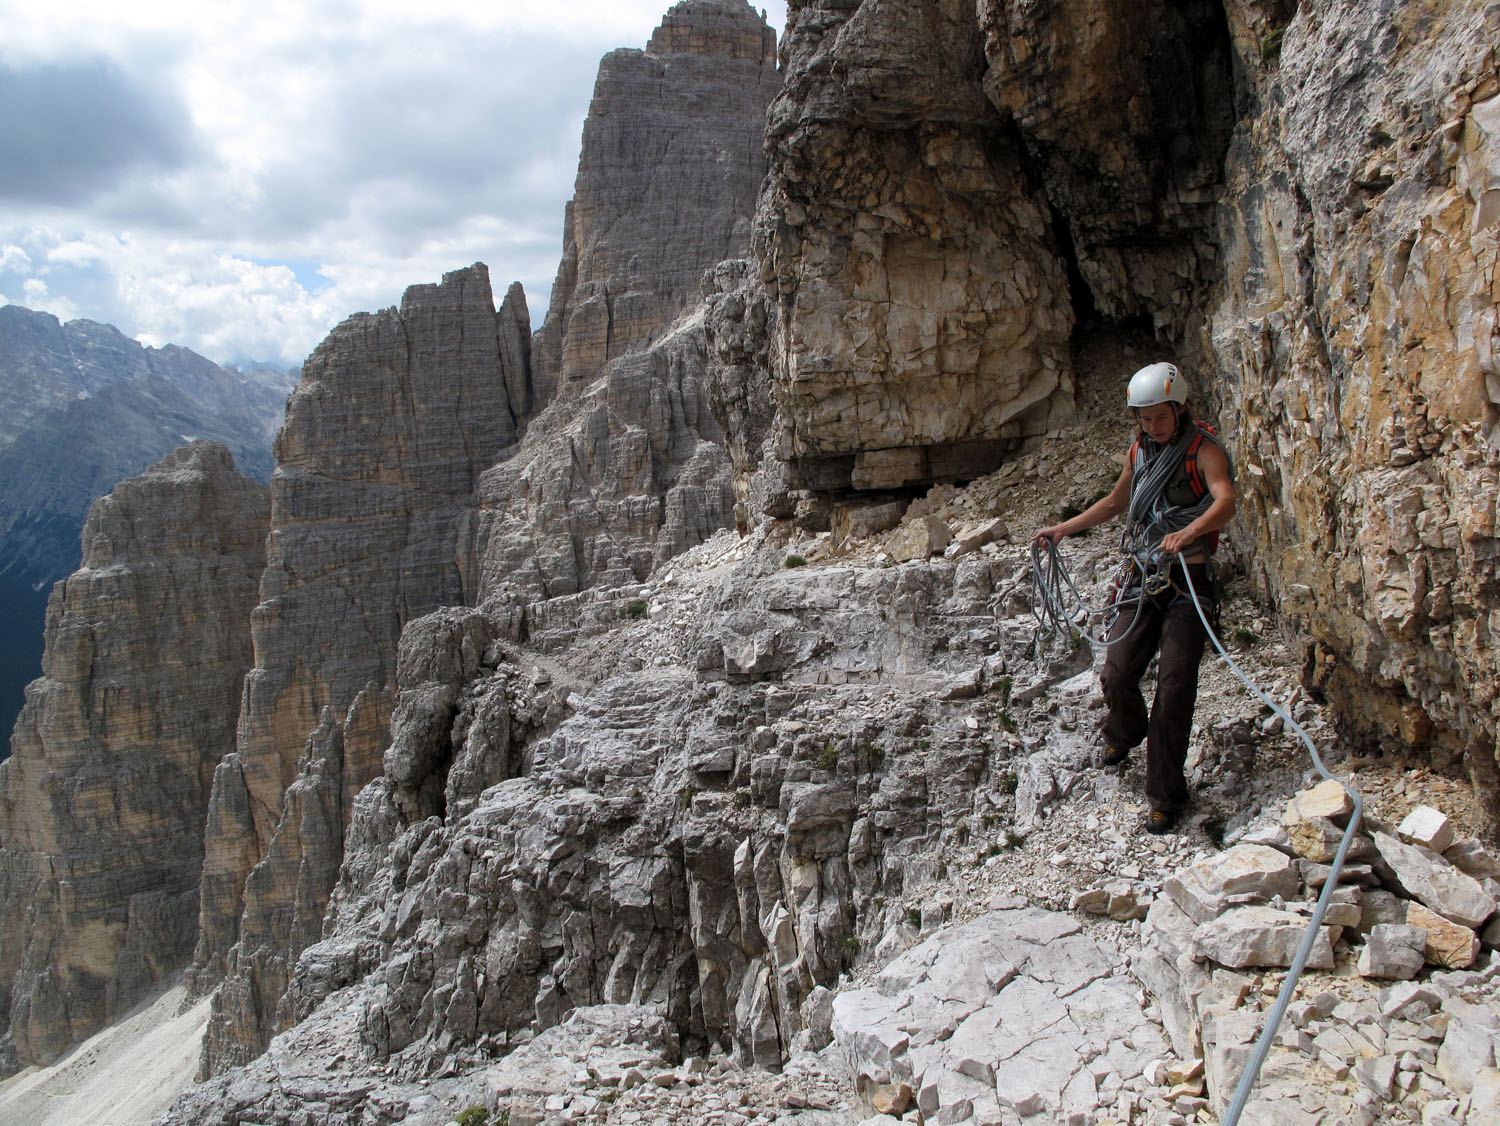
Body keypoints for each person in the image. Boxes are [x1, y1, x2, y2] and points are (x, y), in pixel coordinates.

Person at [1032, 362, 1237, 834]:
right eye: (1144, 419)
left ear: (1179, 408)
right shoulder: (1141, 452)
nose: (1152, 426)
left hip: (1190, 580)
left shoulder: (1203, 451)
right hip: (1145, 572)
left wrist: (1188, 531)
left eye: (1160, 418)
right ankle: (1125, 729)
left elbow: (1224, 501)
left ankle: (1165, 794)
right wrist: (1062, 530)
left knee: (1174, 686)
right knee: (1118, 669)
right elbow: (1116, 502)